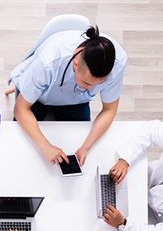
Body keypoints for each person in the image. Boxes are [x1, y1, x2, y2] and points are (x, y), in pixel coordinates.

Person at [11, 25, 128, 166]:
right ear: (75, 64)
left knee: (77, 144)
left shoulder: (118, 62)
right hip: (39, 98)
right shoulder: (49, 60)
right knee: (21, 150)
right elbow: (20, 109)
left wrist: (86, 147)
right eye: (86, 82)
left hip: (76, 101)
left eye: (99, 83)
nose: (91, 89)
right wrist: (45, 146)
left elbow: (109, 110)